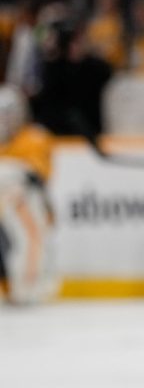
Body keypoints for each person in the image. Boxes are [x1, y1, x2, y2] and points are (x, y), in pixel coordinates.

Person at [0, 83, 57, 304]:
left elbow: (39, 174)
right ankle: (18, 285)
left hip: (26, 199)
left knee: (31, 238)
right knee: (14, 243)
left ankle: (31, 285)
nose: (5, 120)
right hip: (8, 203)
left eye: (8, 114)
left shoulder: (35, 138)